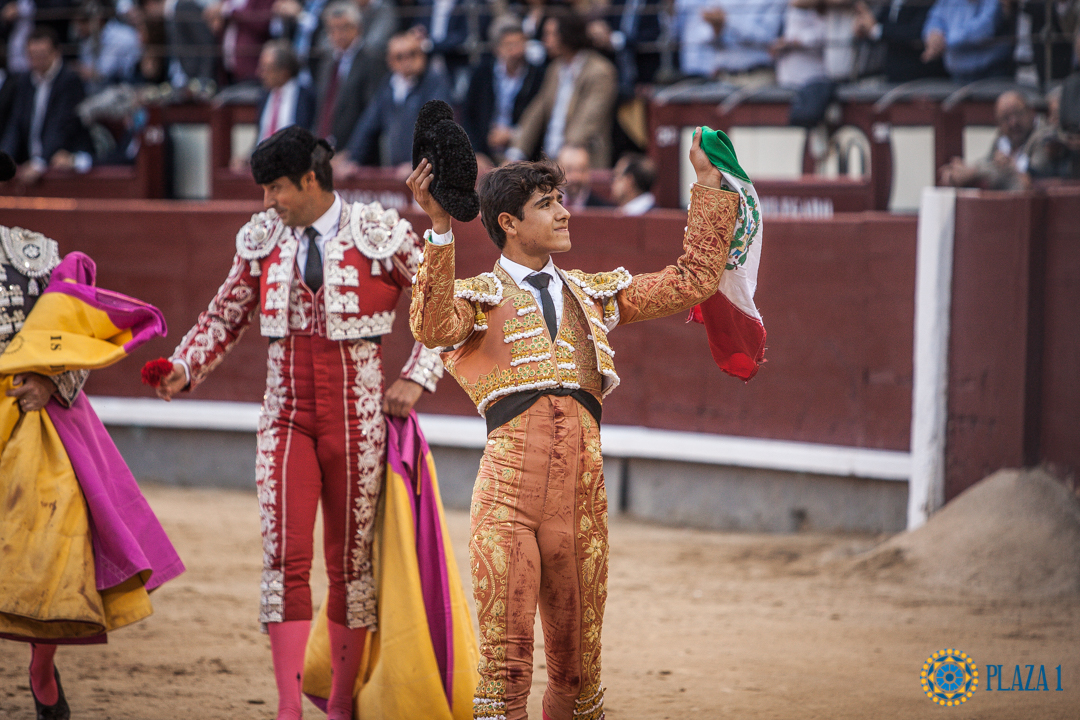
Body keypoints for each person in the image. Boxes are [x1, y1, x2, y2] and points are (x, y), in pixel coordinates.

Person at [406, 128, 741, 720]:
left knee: (579, 677)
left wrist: (709, 185)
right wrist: (438, 227)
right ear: (509, 223)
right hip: (507, 503)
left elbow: (691, 282)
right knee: (505, 673)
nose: (564, 212)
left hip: (582, 506)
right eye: (547, 204)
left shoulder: (593, 295)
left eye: (560, 200)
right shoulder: (477, 299)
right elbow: (430, 327)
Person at [155, 125, 444, 720]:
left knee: (349, 566)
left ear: (310, 180)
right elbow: (225, 315)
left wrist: (417, 377)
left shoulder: (380, 234)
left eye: (276, 189)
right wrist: (184, 366)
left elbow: (443, 306)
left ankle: (338, 706)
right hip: (285, 415)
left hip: (357, 420)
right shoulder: (262, 239)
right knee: (283, 560)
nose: (268, 203)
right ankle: (289, 709)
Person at [1, 151, 184, 720]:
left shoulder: (34, 256)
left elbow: (76, 337)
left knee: (56, 552)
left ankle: (40, 669)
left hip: (37, 421)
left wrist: (48, 382)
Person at [506, 11, 618, 167]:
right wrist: (516, 152)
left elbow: (589, 117)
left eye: (551, 34)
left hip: (583, 162)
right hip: (552, 160)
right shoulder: (555, 68)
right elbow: (537, 111)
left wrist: (568, 151)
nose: (545, 40)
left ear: (568, 34)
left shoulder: (600, 70)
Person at [335, 31, 451, 171]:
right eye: (399, 57)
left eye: (412, 54)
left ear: (423, 55)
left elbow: (439, 129)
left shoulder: (435, 82)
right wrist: (352, 158)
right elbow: (368, 125)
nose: (407, 61)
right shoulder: (388, 85)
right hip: (399, 169)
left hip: (428, 170)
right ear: (390, 61)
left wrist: (420, 162)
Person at [0, 26, 95, 185]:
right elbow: (15, 124)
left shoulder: (69, 80)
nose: (37, 60)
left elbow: (61, 126)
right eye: (32, 55)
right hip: (31, 161)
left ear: (56, 52)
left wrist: (40, 162)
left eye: (42, 54)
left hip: (62, 161)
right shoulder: (24, 80)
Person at [460, 14, 545, 163]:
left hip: (524, 152)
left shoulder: (537, 76)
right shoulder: (482, 73)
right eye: (509, 45)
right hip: (485, 151)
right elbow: (468, 115)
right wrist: (475, 151)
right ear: (497, 48)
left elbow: (540, 119)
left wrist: (512, 135)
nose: (515, 51)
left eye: (520, 43)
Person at [313, 0, 385, 150]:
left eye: (343, 27)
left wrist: (352, 152)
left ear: (358, 28)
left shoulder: (371, 60)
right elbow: (322, 108)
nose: (338, 34)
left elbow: (370, 114)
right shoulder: (327, 62)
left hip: (353, 153)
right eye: (332, 29)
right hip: (326, 148)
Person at [939, 89, 1040, 189]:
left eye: (1018, 113)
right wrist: (964, 170)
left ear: (1031, 112)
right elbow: (989, 162)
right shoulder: (1003, 139)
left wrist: (974, 172)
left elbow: (1032, 178)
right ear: (998, 123)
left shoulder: (1043, 138)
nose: (1013, 122)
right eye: (1006, 118)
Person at [675, 0, 786, 81]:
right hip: (722, 77)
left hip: (757, 76)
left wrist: (727, 21)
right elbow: (702, 35)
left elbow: (767, 37)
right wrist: (717, 28)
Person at [851, 0, 947, 83]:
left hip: (920, 77)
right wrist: (864, 29)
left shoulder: (924, 2)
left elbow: (916, 33)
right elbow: (876, 30)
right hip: (893, 75)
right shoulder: (890, 2)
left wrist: (875, 29)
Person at [921, 0, 1014, 83]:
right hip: (957, 75)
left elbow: (984, 29)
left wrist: (942, 42)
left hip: (991, 74)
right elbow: (935, 18)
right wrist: (934, 33)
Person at [255, 39, 316, 142]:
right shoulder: (264, 96)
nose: (260, 73)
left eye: (266, 69)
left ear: (284, 72)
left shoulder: (306, 97)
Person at [556, 144, 611, 210]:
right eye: (569, 170)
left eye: (581, 170)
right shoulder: (546, 207)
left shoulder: (604, 210)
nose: (575, 177)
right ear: (558, 171)